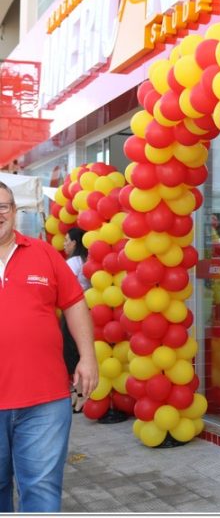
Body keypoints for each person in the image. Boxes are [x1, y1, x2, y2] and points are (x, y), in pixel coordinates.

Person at [0, 182, 98, 513]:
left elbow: (74, 303)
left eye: (3, 206)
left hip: (44, 400)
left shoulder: (43, 253)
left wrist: (87, 357)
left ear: (14, 211)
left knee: (41, 490)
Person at [62, 227, 90, 413]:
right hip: (86, 311)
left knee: (72, 353)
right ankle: (78, 394)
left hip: (72, 312)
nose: (64, 245)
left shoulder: (73, 262)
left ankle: (80, 396)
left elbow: (65, 287)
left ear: (74, 243)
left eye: (66, 241)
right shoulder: (84, 260)